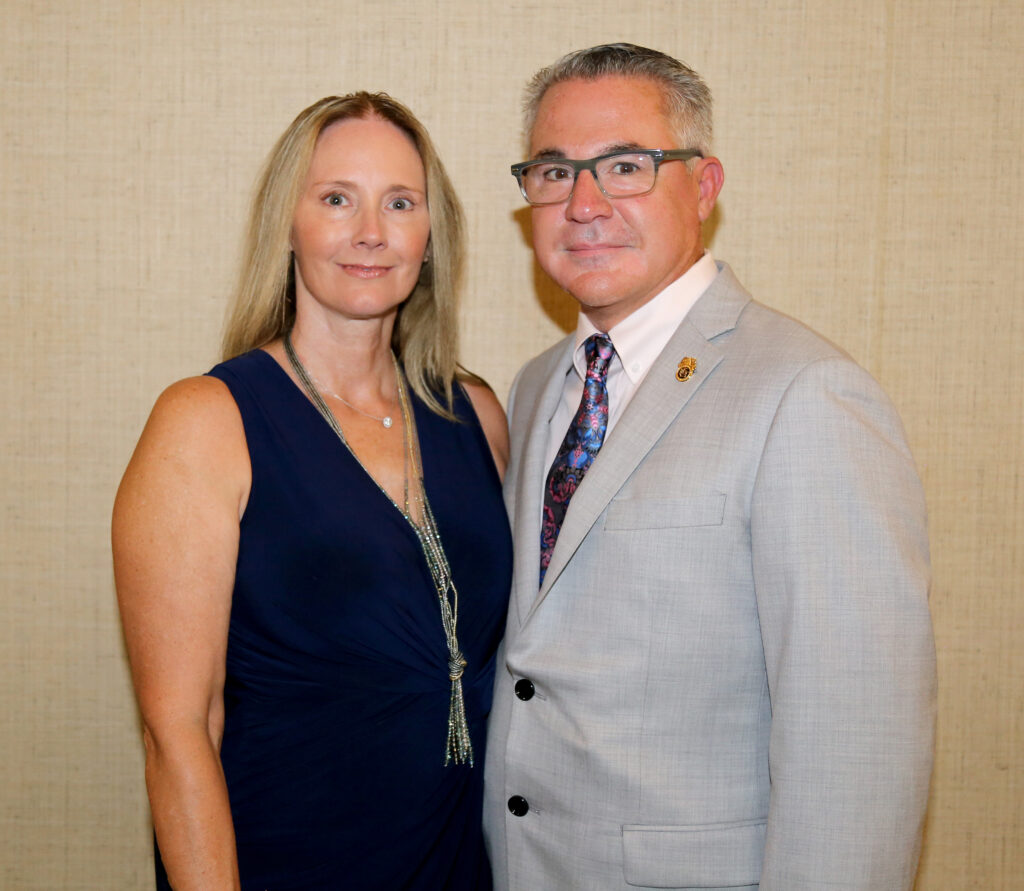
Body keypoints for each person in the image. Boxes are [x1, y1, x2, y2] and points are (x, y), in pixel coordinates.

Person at [483, 43, 936, 890]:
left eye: (626, 166)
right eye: (554, 171)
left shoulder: (805, 394)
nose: (583, 204)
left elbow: (856, 744)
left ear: (703, 185)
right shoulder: (537, 385)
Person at [113, 92, 512, 890]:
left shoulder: (476, 413)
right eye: (336, 199)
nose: (370, 231)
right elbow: (177, 730)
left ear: (431, 236)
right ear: (287, 225)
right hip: (284, 858)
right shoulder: (207, 421)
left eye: (400, 203)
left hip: (456, 863)